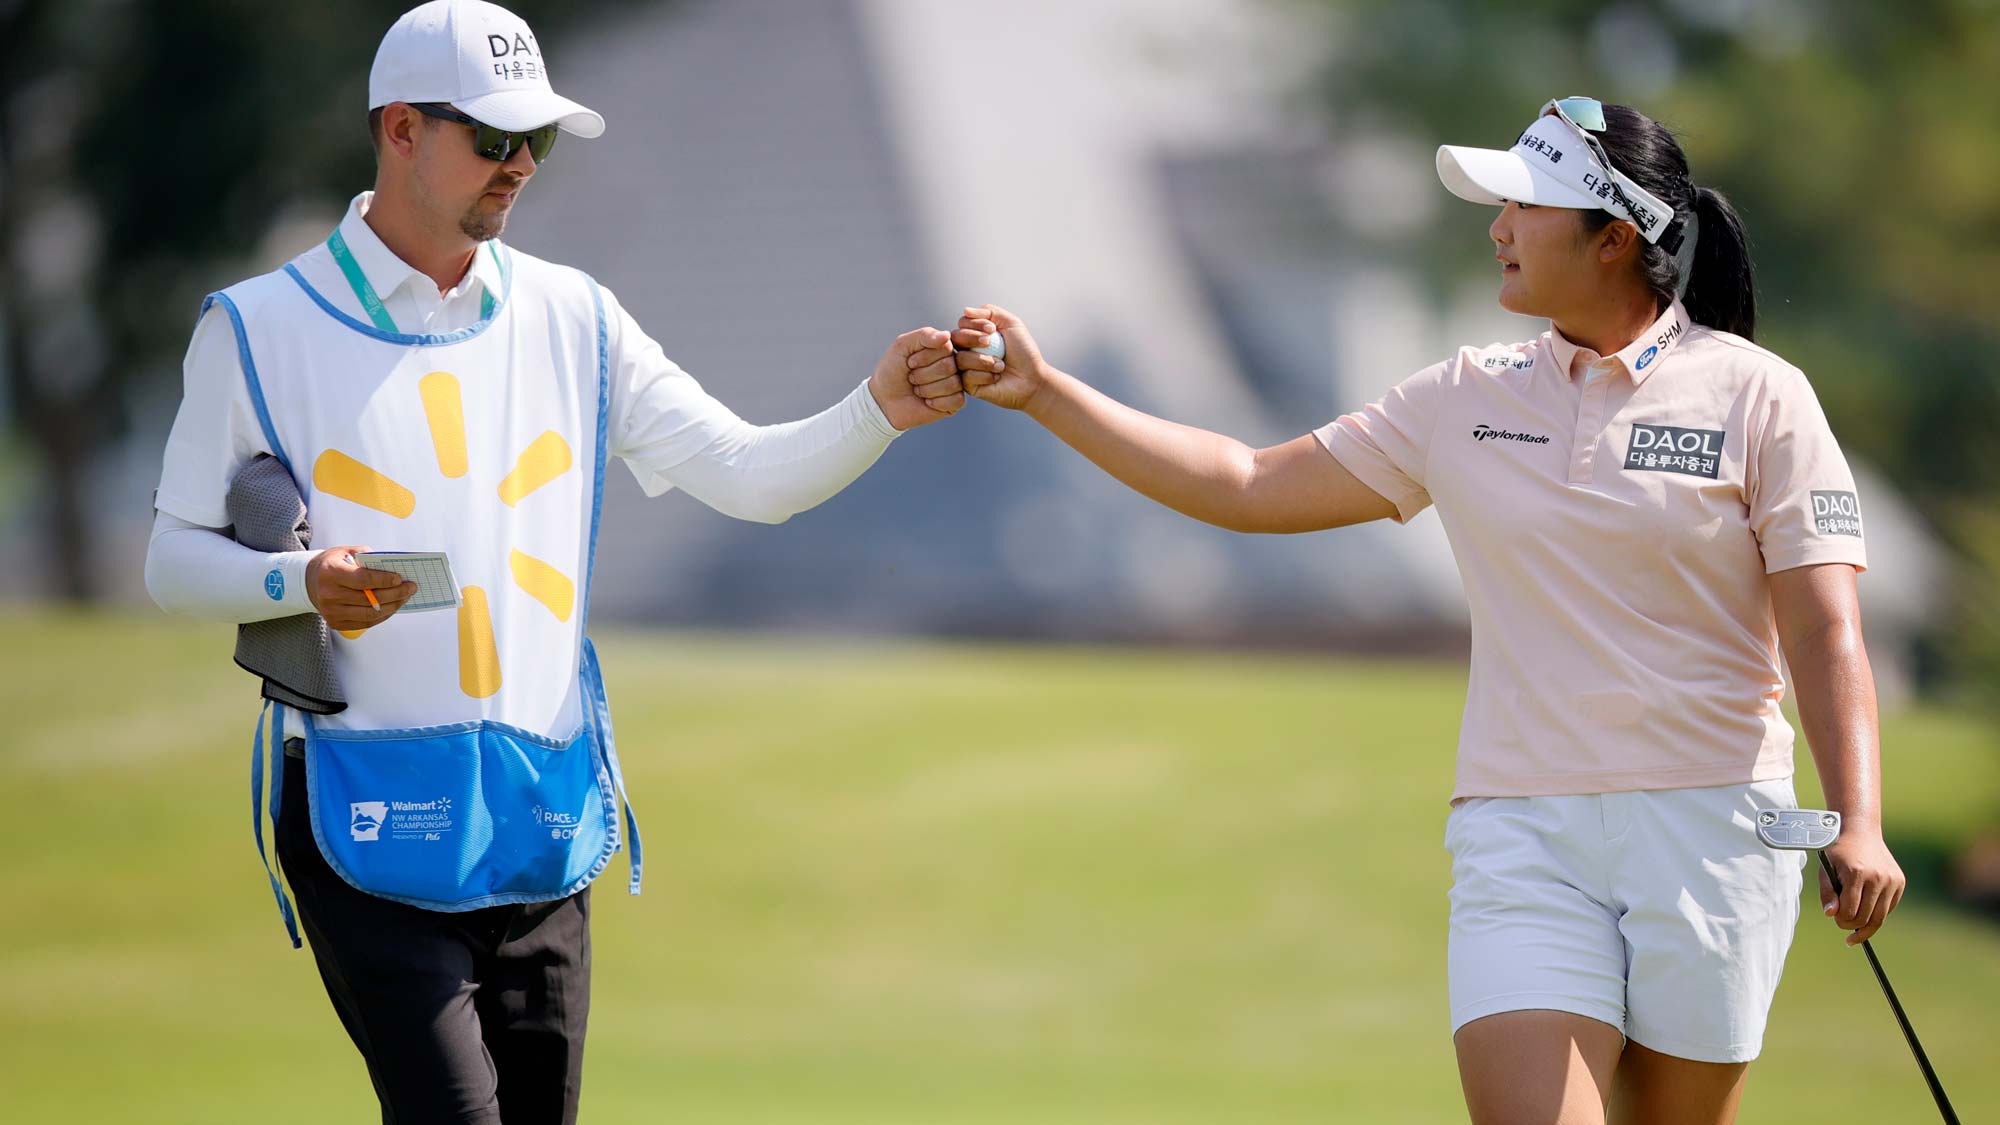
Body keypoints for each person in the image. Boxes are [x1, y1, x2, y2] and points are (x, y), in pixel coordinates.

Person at [951, 97, 1903, 1124]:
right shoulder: (1464, 393)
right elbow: (1243, 483)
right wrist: (1046, 392)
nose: (1495, 226)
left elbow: (1821, 627)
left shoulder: (1759, 396)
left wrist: (1860, 820)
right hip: (1522, 834)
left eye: (1523, 205)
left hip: (1711, 828)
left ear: (1614, 241)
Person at [143, 1, 964, 1121]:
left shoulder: (577, 317)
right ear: (399, 130)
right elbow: (171, 560)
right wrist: (299, 584)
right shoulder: (254, 326)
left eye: (536, 139)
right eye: (491, 138)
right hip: (358, 801)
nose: (521, 164)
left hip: (540, 806)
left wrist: (876, 409)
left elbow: (752, 476)